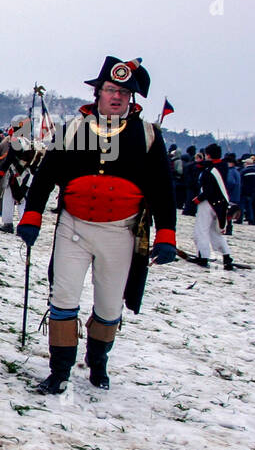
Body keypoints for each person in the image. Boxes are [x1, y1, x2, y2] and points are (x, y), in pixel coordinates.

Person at [17, 57, 176, 393]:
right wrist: (32, 214)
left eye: (123, 92)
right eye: (110, 89)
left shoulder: (148, 135)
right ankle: (59, 370)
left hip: (119, 233)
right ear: (98, 92)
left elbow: (163, 188)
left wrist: (167, 233)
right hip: (74, 229)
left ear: (131, 99)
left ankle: (98, 361)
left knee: (108, 304)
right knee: (63, 298)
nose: (116, 97)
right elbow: (45, 177)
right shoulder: (73, 130)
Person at [191, 144, 234, 268]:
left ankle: (203, 256)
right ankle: (226, 256)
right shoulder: (222, 167)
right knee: (215, 232)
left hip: (208, 203)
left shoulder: (211, 170)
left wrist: (198, 199)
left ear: (208, 155)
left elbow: (209, 189)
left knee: (201, 230)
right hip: (220, 204)